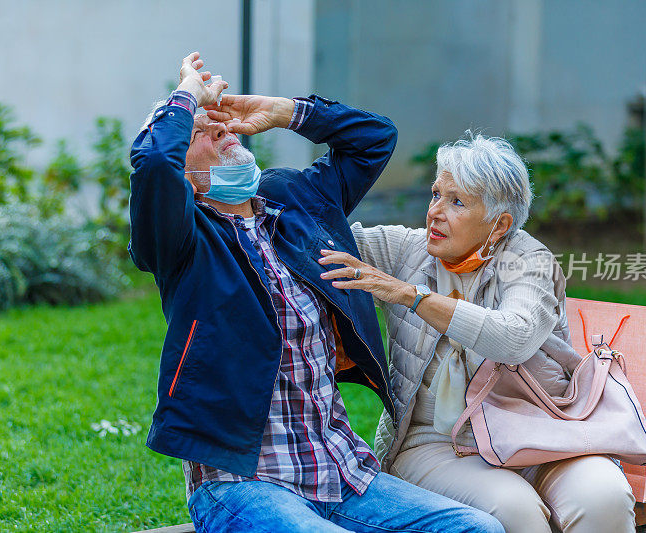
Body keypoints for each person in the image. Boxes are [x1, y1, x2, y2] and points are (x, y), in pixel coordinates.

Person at [128, 52, 504, 533]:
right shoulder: (183, 240)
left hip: (341, 472)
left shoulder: (296, 203)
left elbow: (373, 139)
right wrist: (185, 97)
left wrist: (285, 112)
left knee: (479, 530)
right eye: (199, 132)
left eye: (218, 122)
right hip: (243, 482)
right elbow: (154, 162)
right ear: (184, 178)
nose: (221, 130)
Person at [319, 133, 636, 532]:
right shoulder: (404, 251)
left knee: (603, 496)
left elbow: (514, 338)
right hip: (434, 442)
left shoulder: (528, 261)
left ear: (499, 224)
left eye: (457, 202)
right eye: (436, 194)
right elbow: (312, 235)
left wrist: (412, 297)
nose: (435, 211)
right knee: (514, 510)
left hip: (540, 430)